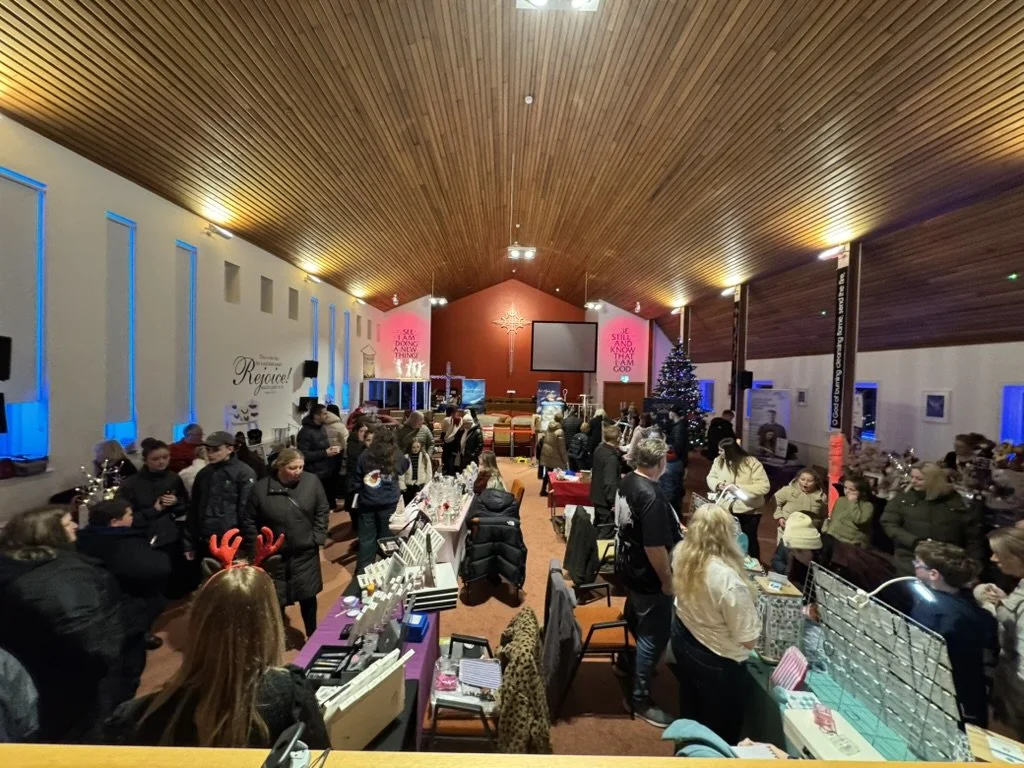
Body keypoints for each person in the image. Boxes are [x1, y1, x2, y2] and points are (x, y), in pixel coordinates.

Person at [106, 566, 329, 748]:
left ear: (197, 622)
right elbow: (320, 756)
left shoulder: (136, 717)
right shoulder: (289, 692)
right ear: (268, 625)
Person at [0, 507, 124, 743]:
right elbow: (89, 644)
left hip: (38, 676)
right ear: (48, 533)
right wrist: (110, 662)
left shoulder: (17, 567)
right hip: (74, 689)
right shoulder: (60, 577)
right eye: (68, 523)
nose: (76, 526)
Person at [670, 504, 760, 743]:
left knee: (691, 709)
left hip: (684, 638)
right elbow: (748, 640)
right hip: (717, 660)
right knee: (721, 731)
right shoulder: (728, 580)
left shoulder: (681, 552)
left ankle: (688, 751)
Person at [612, 438, 682, 727]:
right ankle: (639, 699)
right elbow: (654, 547)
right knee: (653, 637)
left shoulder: (628, 480)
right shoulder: (651, 495)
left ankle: (626, 664)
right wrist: (667, 581)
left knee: (635, 620)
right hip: (648, 577)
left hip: (629, 568)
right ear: (661, 463)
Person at [76, 499, 172, 701]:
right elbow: (157, 568)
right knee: (127, 668)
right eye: (129, 515)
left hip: (101, 610)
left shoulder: (82, 540)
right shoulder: (125, 543)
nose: (132, 518)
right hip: (128, 611)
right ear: (114, 522)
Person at [242, 448, 329, 639]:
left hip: (305, 551)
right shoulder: (260, 489)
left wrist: (317, 537)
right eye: (293, 468)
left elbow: (322, 509)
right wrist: (257, 549)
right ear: (280, 466)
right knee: (276, 599)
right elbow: (249, 521)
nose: (298, 471)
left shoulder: (312, 482)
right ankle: (278, 637)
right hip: (274, 555)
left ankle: (312, 634)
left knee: (308, 596)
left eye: (301, 467)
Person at [911, 541, 996, 727]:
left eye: (917, 564)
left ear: (934, 574)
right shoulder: (967, 605)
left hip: (953, 696)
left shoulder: (938, 614)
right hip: (968, 691)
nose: (914, 566)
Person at [881, 462, 984, 575]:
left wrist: (974, 566)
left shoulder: (956, 503)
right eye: (912, 477)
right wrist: (915, 542)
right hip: (910, 559)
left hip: (947, 562)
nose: (913, 481)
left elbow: (972, 536)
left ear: (934, 480)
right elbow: (889, 524)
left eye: (919, 479)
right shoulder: (903, 500)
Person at [116, 439, 189, 595]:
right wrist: (154, 510)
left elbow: (185, 505)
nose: (161, 462)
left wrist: (176, 502)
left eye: (165, 457)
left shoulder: (173, 478)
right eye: (155, 459)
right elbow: (124, 517)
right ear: (145, 460)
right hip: (142, 536)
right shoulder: (131, 484)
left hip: (169, 535)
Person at [976, 527, 1024, 738]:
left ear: (1017, 556)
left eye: (999, 554)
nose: (993, 559)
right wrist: (1003, 602)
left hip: (1017, 697)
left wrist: (989, 608)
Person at [183, 431, 257, 563]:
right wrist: (189, 543)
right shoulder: (204, 474)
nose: (210, 454)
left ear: (230, 449)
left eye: (216, 450)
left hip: (233, 542)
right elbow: (194, 508)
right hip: (205, 541)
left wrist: (248, 547)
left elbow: (247, 512)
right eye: (208, 450)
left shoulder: (244, 473)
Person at [783, 512, 896, 593]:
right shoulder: (801, 557)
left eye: (798, 551)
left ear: (814, 548)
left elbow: (884, 593)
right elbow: (797, 586)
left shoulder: (852, 560)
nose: (795, 555)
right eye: (792, 550)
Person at [355, 427, 409, 573]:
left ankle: (363, 574)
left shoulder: (365, 454)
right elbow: (404, 467)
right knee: (387, 539)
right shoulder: (395, 454)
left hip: (367, 502)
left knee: (366, 540)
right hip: (389, 503)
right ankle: (387, 573)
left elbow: (357, 478)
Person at [706, 439, 770, 561]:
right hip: (726, 508)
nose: (719, 453)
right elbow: (711, 477)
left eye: (721, 450)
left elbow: (764, 486)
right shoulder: (718, 461)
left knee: (749, 538)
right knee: (726, 538)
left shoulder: (752, 463)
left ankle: (753, 563)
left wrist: (737, 488)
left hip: (749, 510)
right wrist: (718, 485)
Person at [770, 467, 827, 572]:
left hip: (807, 537)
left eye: (809, 481)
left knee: (801, 561)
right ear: (797, 479)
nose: (805, 483)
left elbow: (824, 516)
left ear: (816, 482)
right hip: (786, 531)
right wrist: (780, 516)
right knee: (784, 556)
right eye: (802, 479)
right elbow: (775, 502)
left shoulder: (821, 497)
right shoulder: (787, 491)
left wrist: (822, 530)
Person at [296, 404, 342, 504]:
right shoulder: (305, 432)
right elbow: (303, 455)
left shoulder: (322, 428)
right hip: (315, 473)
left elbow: (322, 447)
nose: (327, 415)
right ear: (316, 416)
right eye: (324, 414)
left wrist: (332, 449)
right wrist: (325, 453)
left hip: (326, 471)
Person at [824, 475, 875, 547]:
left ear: (862, 492)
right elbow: (834, 517)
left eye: (852, 489)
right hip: (833, 535)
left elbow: (859, 520)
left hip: (850, 541)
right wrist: (827, 528)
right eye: (845, 488)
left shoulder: (867, 506)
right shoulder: (841, 500)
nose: (847, 491)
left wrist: (853, 502)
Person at [591, 423, 624, 532]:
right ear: (618, 438)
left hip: (597, 495)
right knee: (606, 532)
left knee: (598, 527)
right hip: (605, 501)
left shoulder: (599, 449)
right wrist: (614, 502)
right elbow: (610, 482)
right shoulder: (611, 458)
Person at [660, 405, 690, 513]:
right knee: (675, 488)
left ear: (673, 413)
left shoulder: (679, 428)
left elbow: (677, 447)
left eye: (670, 412)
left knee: (674, 489)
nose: (668, 414)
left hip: (676, 462)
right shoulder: (678, 426)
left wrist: (665, 445)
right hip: (678, 461)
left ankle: (676, 513)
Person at [539, 413, 569, 497]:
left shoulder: (549, 427)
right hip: (555, 454)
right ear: (561, 420)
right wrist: (565, 459)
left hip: (547, 452)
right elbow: (561, 447)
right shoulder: (560, 431)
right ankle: (556, 491)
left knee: (548, 472)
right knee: (559, 473)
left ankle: (543, 490)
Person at [344, 419, 370, 513]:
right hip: (353, 477)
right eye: (361, 431)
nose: (363, 434)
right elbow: (354, 458)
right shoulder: (352, 444)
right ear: (356, 432)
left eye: (365, 432)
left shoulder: (366, 445)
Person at [400, 439, 434, 505]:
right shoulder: (405, 457)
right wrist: (402, 486)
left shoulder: (424, 456)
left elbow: (429, 471)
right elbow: (401, 473)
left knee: (420, 503)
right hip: (409, 486)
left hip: (421, 485)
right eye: (413, 447)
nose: (416, 449)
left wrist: (427, 484)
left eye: (418, 447)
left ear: (420, 447)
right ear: (410, 447)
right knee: (408, 503)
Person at [440, 407, 462, 475]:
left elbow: (443, 431)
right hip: (456, 440)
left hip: (448, 441)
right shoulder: (460, 419)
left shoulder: (446, 419)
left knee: (447, 457)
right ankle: (454, 471)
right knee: (454, 457)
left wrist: (442, 438)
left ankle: (448, 472)